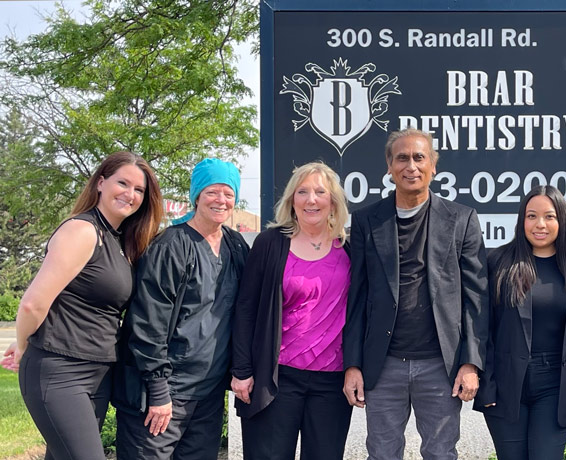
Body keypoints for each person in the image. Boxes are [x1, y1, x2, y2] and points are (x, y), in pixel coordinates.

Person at [0, 152, 163, 460]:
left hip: (98, 372)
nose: (130, 194)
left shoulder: (118, 241)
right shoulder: (82, 231)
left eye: (139, 189)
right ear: (101, 183)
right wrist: (21, 345)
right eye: (123, 183)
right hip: (59, 371)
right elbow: (33, 304)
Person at [342, 128, 489, 460]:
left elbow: (476, 298)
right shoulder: (367, 220)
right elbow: (357, 297)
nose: (411, 166)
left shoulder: (462, 219)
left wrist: (470, 361)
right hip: (383, 364)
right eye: (402, 158)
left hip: (441, 365)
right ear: (390, 166)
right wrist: (352, 364)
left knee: (440, 454)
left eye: (419, 157)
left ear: (433, 165)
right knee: (382, 454)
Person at [115, 158, 249, 460]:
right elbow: (147, 324)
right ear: (197, 195)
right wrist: (158, 390)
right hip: (162, 395)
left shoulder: (236, 246)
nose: (221, 200)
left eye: (229, 193)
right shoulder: (170, 246)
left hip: (208, 396)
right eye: (212, 191)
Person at [231, 162, 352, 460]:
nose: (312, 199)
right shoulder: (270, 243)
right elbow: (245, 309)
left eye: (320, 192)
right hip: (275, 378)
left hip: (332, 382)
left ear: (333, 201)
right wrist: (242, 371)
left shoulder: (351, 246)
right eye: (303, 192)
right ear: (292, 200)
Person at [473, 186, 566, 460]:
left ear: (562, 220)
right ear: (521, 220)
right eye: (531, 216)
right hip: (505, 381)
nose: (540, 224)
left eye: (549, 216)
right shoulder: (499, 262)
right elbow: (481, 328)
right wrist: (486, 385)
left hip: (555, 383)